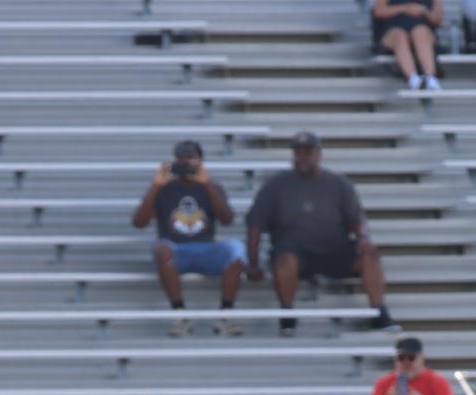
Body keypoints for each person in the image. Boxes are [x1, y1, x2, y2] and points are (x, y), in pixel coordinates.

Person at [246, 131, 398, 336]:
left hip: (334, 248)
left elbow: (357, 220)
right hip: (295, 251)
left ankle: (379, 311)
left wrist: (363, 238)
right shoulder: (275, 186)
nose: (302, 157)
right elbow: (255, 224)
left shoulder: (338, 184)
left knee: (369, 252)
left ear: (318, 154)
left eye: (307, 152)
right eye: (298, 152)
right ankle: (287, 314)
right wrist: (253, 263)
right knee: (285, 257)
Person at [132, 140, 246, 339]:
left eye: (190, 159)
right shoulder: (164, 189)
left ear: (201, 162)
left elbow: (227, 219)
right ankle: (180, 314)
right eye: (180, 159)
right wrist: (156, 185)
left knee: (236, 249)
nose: (185, 164)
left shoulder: (212, 187)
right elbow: (139, 222)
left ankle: (226, 314)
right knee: (161, 249)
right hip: (175, 250)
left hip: (206, 248)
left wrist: (207, 184)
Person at [375, 1, 444, 91]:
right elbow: (379, 11)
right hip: (393, 29)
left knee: (420, 31)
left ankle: (430, 77)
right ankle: (413, 78)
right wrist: (406, 8)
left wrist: (424, 11)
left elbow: (437, 19)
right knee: (400, 35)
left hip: (422, 28)